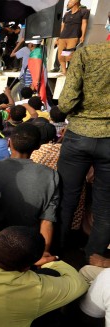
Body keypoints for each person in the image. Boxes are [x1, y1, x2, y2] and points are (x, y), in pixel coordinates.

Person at [57, 42, 110, 259]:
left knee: (65, 197)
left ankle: (55, 251)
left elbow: (66, 102)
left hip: (79, 134)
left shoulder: (87, 52)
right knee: (105, 204)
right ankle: (93, 258)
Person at [0, 123, 60, 254]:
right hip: (28, 246)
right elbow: (47, 221)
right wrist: (43, 254)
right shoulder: (50, 175)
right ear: (37, 147)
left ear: (9, 143)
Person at [56, 0, 89, 75]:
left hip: (73, 37)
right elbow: (62, 26)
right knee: (60, 56)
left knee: (68, 56)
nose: (68, 4)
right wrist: (58, 38)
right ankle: (64, 71)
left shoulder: (83, 12)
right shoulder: (67, 14)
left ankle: (70, 72)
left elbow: (84, 24)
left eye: (69, 2)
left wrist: (83, 35)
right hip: (63, 37)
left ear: (75, 3)